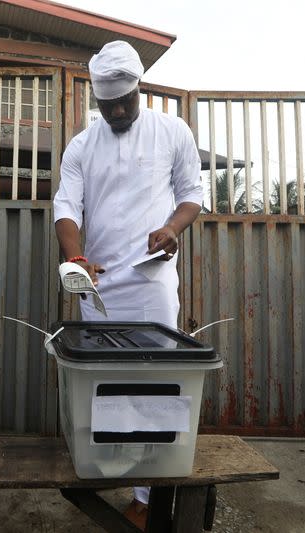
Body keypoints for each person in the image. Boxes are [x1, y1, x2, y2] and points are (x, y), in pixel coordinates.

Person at [53, 41, 203, 530]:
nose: (118, 111)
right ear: (96, 98)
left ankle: (149, 494)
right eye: (108, 103)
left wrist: (173, 230)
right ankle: (112, 470)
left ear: (140, 89)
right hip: (97, 286)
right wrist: (76, 256)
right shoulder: (81, 146)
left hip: (151, 281)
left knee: (157, 382)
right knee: (108, 384)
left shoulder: (171, 131)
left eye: (126, 101)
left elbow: (191, 196)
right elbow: (66, 208)